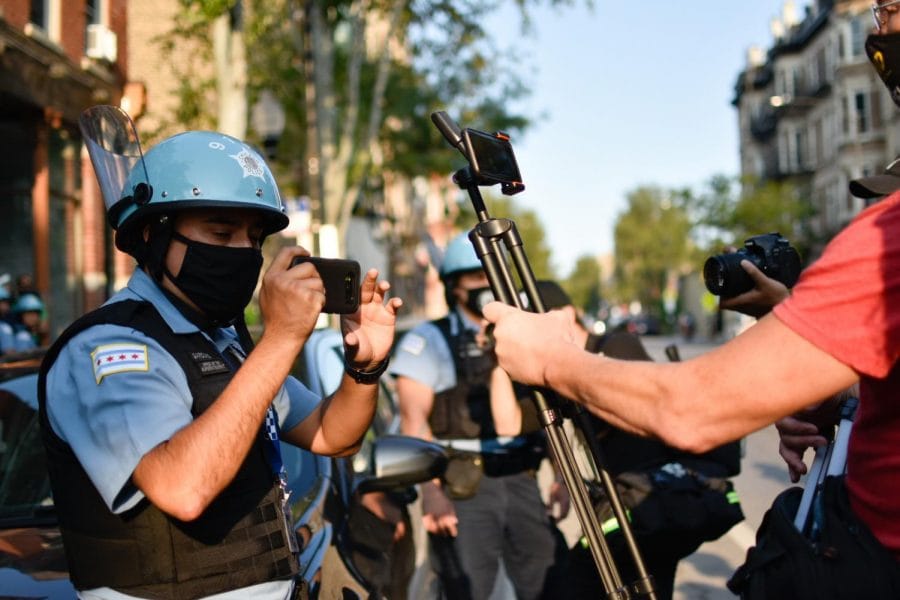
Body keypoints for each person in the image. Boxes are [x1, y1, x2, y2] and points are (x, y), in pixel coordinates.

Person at [482, 11, 900, 584]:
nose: (881, 25)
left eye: (891, 10)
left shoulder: (887, 240)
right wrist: (833, 398)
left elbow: (689, 409)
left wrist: (551, 358)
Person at [38, 124, 402, 600]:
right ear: (152, 233)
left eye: (253, 239)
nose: (243, 253)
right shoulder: (109, 347)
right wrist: (281, 339)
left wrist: (365, 367)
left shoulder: (225, 346)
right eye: (220, 232)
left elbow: (334, 435)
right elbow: (183, 489)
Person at [524, 281, 742, 600]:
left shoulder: (616, 346)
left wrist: (568, 376)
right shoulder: (559, 370)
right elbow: (516, 420)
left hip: (649, 505)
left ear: (567, 315)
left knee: (585, 583)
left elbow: (638, 411)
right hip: (621, 507)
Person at [389, 233, 569, 600]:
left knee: (553, 583)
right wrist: (431, 495)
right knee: (466, 589)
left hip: (522, 476)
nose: (485, 284)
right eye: (475, 276)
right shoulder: (429, 341)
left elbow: (547, 410)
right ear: (454, 286)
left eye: (491, 274)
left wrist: (563, 478)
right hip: (464, 485)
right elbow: (413, 425)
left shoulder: (523, 336)